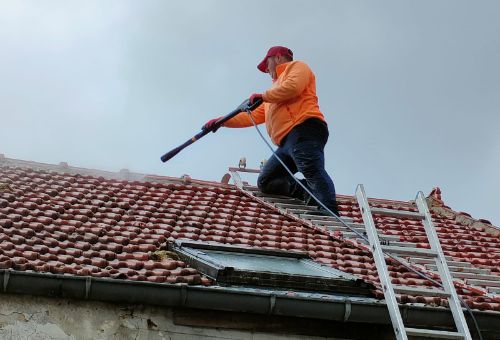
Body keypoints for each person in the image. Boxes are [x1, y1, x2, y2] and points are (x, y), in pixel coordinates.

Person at [204, 46, 339, 216]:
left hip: (304, 128)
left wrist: (264, 96)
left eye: (267, 63)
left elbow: (293, 87)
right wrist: (222, 122)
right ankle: (309, 193)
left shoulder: (297, 67)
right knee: (267, 180)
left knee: (311, 169)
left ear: (278, 57)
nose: (266, 69)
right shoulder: (272, 96)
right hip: (286, 142)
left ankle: (329, 209)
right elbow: (250, 116)